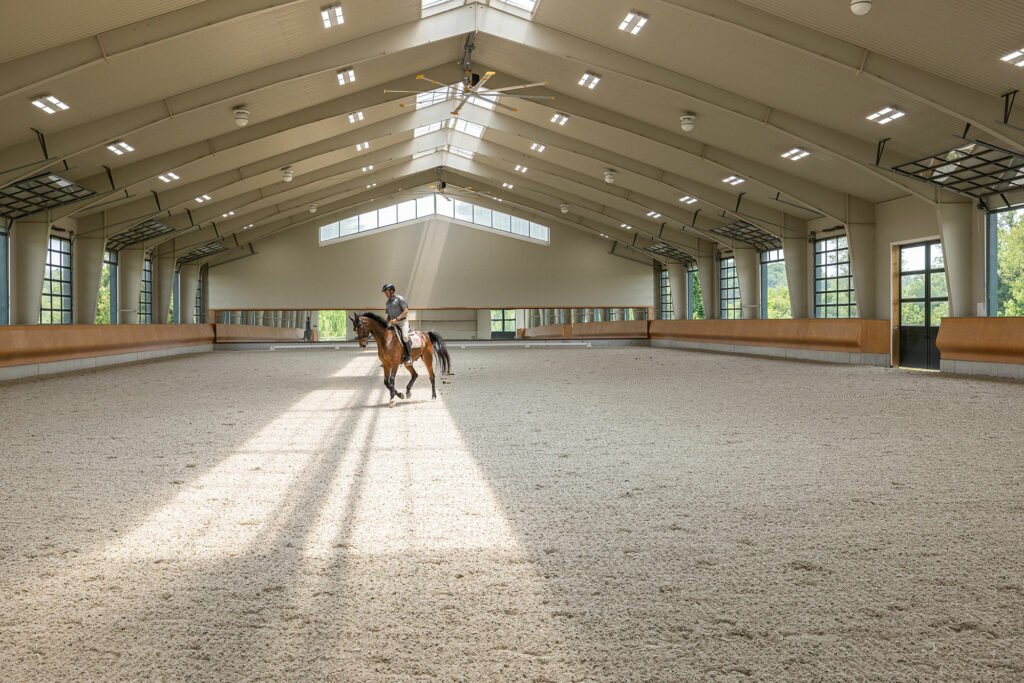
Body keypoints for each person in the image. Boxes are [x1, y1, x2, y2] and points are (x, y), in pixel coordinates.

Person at [382, 283, 412, 362]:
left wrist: (397, 319)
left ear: (392, 291)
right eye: (384, 292)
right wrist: (385, 323)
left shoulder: (399, 299)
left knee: (405, 337)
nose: (385, 294)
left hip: (402, 322)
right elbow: (389, 315)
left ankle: (409, 357)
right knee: (387, 337)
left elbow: (406, 311)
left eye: (386, 292)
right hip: (393, 324)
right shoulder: (387, 303)